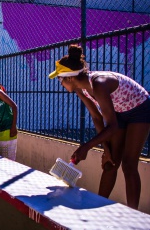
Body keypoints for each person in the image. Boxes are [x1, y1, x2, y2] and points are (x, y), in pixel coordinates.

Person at [48, 44, 150, 209]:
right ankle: (98, 205)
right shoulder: (81, 89)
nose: (60, 84)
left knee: (129, 164)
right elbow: (96, 117)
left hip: (140, 109)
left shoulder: (99, 84)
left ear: (70, 78)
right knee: (110, 162)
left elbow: (112, 125)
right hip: (119, 112)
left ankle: (134, 213)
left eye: (60, 79)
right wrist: (106, 149)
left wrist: (86, 147)